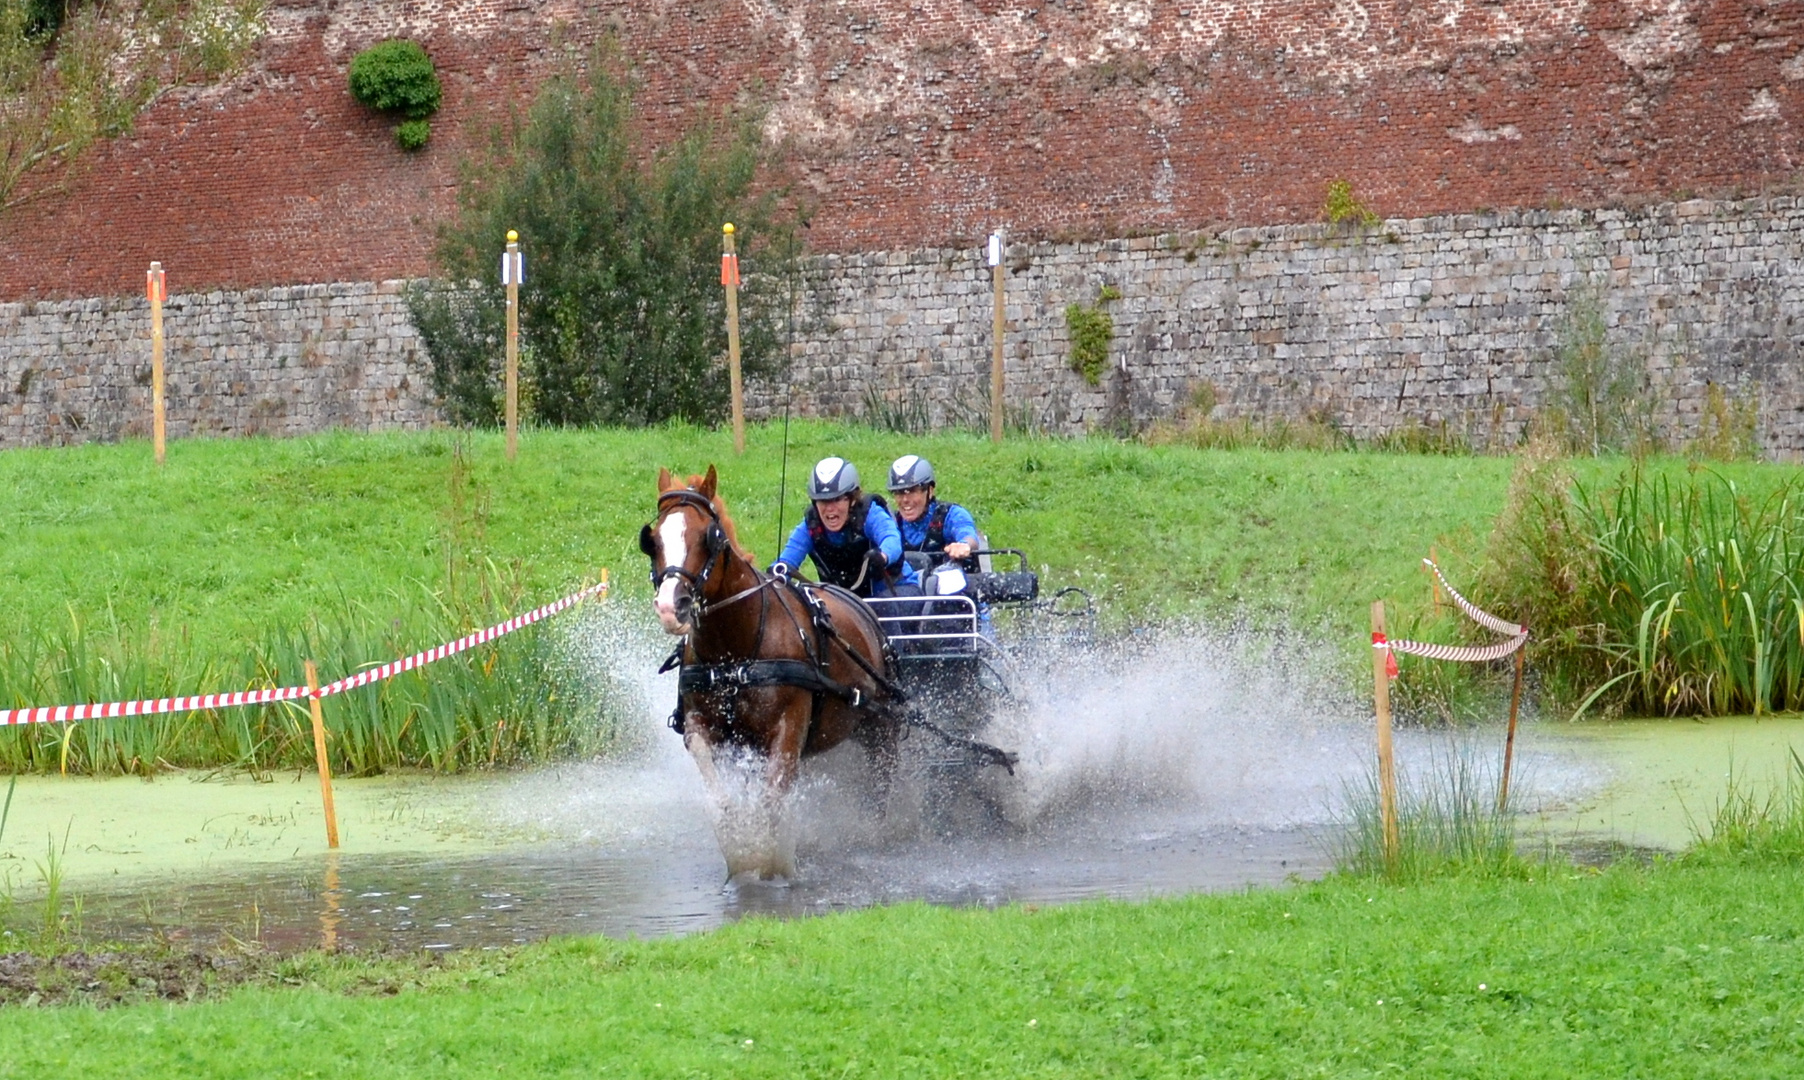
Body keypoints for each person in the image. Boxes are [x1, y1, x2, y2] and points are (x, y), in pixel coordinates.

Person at [771, 456, 923, 603]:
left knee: (880, 608)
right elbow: (787, 561)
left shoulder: (869, 514)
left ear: (852, 499)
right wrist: (773, 575)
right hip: (848, 602)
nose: (830, 509)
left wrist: (882, 556)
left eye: (837, 499)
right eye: (823, 501)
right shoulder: (811, 526)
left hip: (899, 591)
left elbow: (892, 539)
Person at [887, 454, 981, 572]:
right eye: (899, 493)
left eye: (912, 491)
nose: (905, 500)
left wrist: (963, 545)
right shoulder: (891, 523)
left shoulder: (951, 514)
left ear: (929, 491)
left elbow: (967, 533)